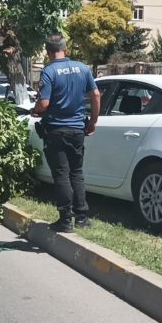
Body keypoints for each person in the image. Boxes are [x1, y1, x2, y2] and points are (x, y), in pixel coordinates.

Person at [31, 34, 100, 233]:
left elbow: (44, 104)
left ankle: (65, 220)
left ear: (47, 52)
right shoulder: (83, 68)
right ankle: (82, 217)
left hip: (56, 130)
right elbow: (95, 94)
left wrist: (35, 110)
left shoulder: (49, 71)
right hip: (78, 128)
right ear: (65, 49)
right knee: (76, 173)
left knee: (61, 174)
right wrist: (93, 121)